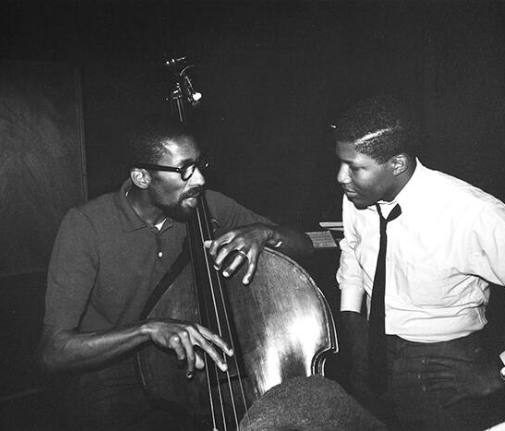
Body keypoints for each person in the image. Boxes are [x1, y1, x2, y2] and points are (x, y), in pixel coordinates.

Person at [37, 116, 313, 430]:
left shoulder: (207, 205)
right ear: (142, 177)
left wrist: (266, 233)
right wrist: (147, 330)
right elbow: (53, 352)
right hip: (113, 375)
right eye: (184, 170)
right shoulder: (85, 226)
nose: (199, 181)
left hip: (195, 368)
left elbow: (305, 244)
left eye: (199, 165)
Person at [332, 95, 505, 430]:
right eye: (341, 164)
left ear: (398, 164)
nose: (341, 178)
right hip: (371, 358)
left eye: (355, 168)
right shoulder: (360, 196)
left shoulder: (471, 215)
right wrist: (352, 325)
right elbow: (353, 251)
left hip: (440, 370)